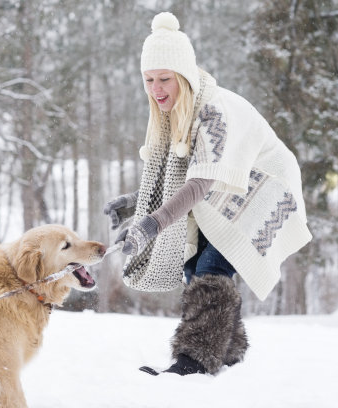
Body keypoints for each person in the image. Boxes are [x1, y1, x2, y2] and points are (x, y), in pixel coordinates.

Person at [104, 12, 312, 376]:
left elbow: (199, 184)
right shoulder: (174, 115)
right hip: (225, 186)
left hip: (266, 186)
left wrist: (151, 225)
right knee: (192, 262)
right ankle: (227, 348)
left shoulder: (214, 112)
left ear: (183, 75)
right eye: (149, 79)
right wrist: (135, 204)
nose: (156, 89)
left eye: (164, 78)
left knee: (211, 265)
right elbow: (180, 175)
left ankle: (194, 360)